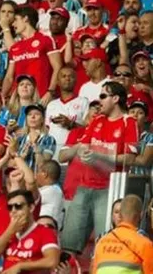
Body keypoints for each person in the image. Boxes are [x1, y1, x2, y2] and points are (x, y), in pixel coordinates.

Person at [59, 81, 139, 253]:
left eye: (103, 96)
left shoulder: (129, 122)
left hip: (109, 190)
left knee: (105, 245)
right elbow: (84, 146)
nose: (99, 100)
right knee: (68, 246)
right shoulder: (97, 120)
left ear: (116, 98)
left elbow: (130, 159)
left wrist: (99, 155)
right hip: (83, 186)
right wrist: (81, 151)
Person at [0, 189, 60, 273]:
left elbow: (52, 261)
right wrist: (10, 231)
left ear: (31, 208)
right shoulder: (8, 233)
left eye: (18, 206)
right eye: (10, 207)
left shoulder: (45, 232)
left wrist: (20, 266)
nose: (13, 211)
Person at [93, 194, 153, 273]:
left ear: (121, 215)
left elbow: (94, 270)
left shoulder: (101, 242)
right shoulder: (144, 244)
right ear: (140, 215)